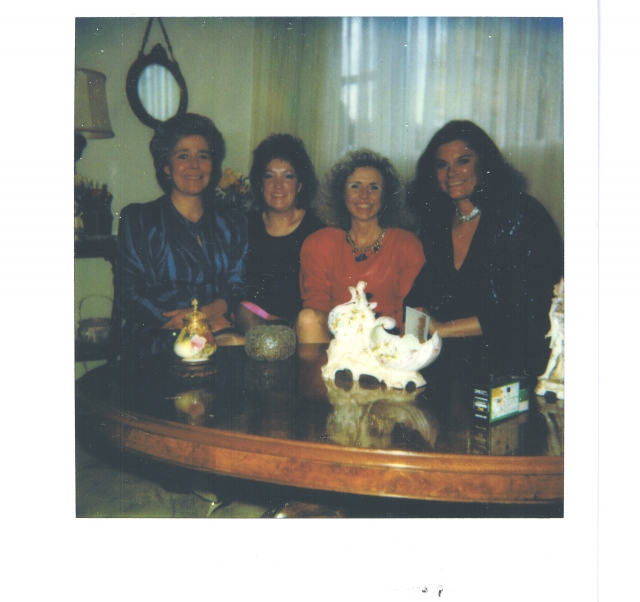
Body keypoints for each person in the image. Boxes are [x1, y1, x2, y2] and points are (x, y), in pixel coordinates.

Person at [405, 120, 564, 388]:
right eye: (441, 164)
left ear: (484, 163)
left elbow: (527, 312)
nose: (451, 173)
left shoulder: (522, 215)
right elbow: (421, 296)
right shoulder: (437, 224)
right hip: (454, 362)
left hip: (516, 366)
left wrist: (442, 329)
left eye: (462, 161)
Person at [114, 113, 248, 362]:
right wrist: (187, 324)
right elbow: (128, 292)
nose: (195, 165)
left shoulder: (233, 222)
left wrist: (205, 315)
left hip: (217, 328)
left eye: (203, 156)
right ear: (166, 165)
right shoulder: (139, 219)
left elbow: (236, 287)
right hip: (156, 335)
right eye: (183, 155)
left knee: (238, 348)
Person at [297, 149, 425, 343]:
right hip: (336, 340)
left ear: (386, 196)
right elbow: (317, 305)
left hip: (389, 339)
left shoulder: (406, 244)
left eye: (374, 187)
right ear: (342, 193)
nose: (364, 195)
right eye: (355, 186)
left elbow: (409, 309)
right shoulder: (319, 243)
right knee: (306, 319)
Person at [236, 134, 324, 331]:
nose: (278, 185)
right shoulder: (243, 226)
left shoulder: (317, 233)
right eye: (269, 176)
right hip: (251, 325)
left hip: (299, 330)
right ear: (260, 184)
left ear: (300, 185)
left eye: (288, 176)